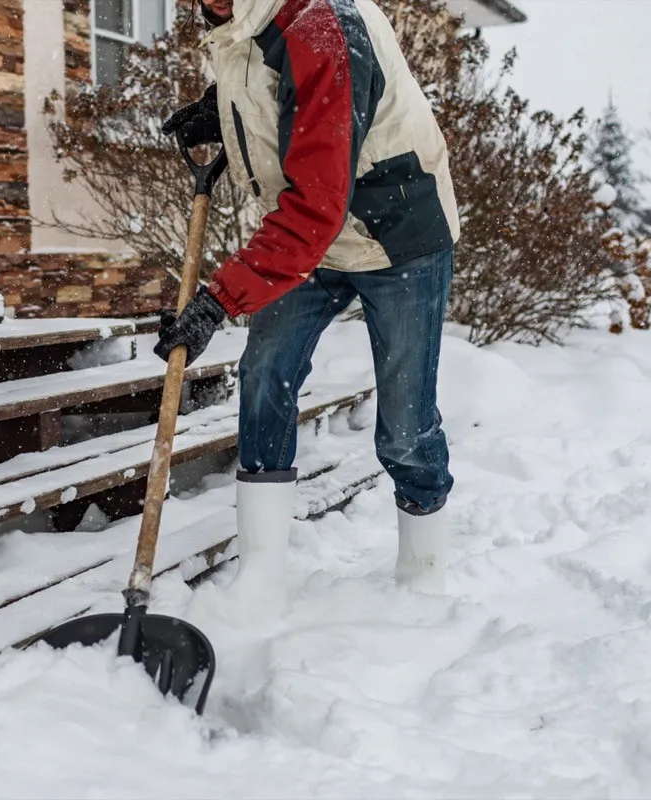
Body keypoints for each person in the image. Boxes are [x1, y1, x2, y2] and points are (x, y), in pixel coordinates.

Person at [154, 0, 459, 609]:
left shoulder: (324, 27)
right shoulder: (245, 17)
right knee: (266, 373)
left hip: (395, 237)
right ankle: (263, 568)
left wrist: (219, 300)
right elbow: (288, 102)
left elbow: (316, 201)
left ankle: (423, 568)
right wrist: (226, 114)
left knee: (404, 419)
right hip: (314, 238)